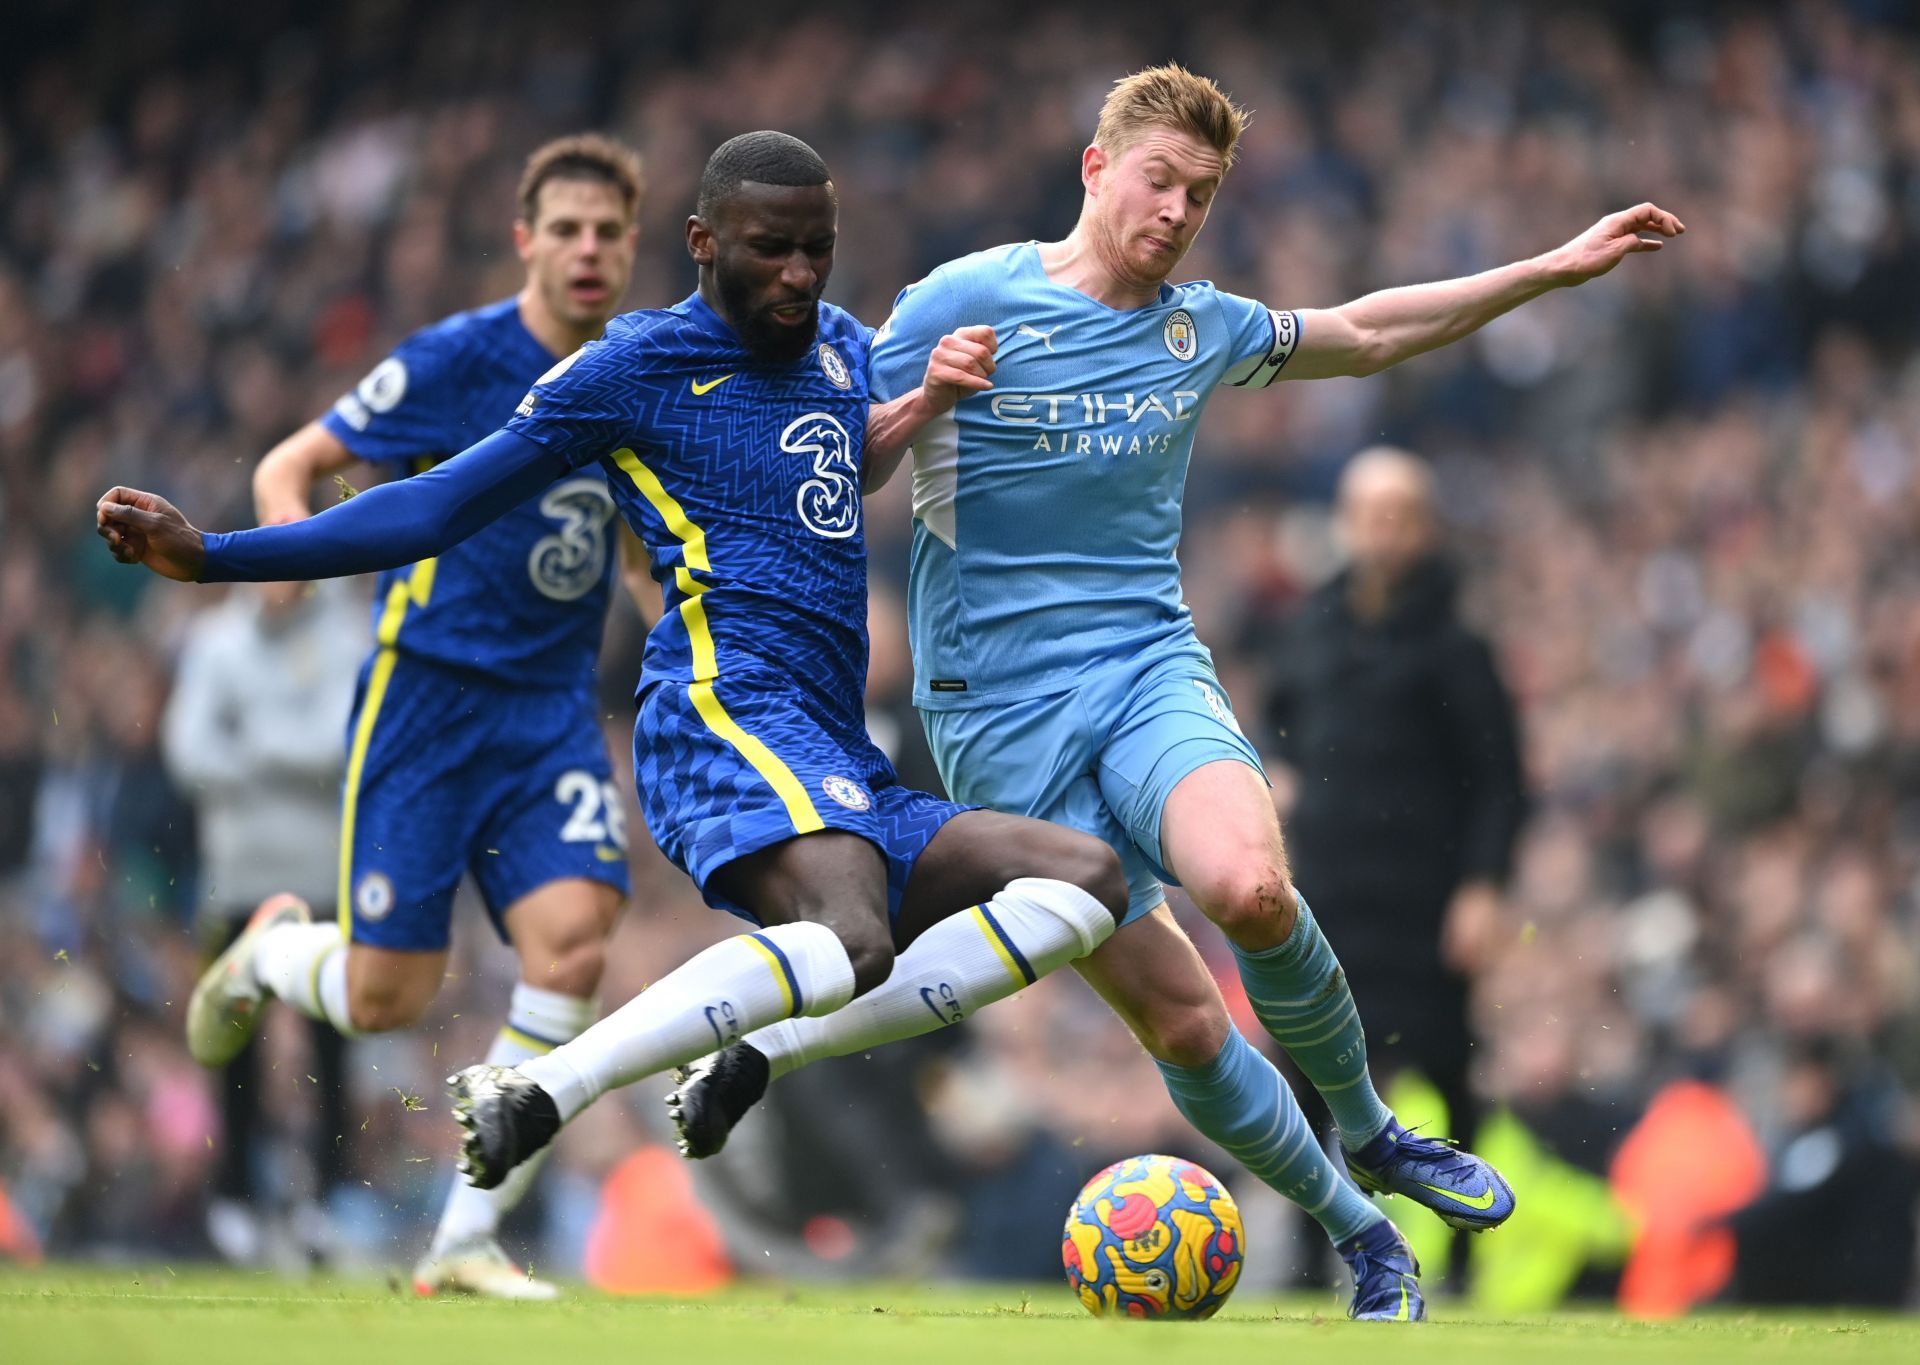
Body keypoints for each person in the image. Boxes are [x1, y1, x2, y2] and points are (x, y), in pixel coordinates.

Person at [669, 65, 1682, 1321]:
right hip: (995, 722)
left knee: (1251, 888)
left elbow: (1366, 331)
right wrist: (927, 398)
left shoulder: (1198, 329)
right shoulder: (961, 299)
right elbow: (841, 466)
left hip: (1147, 667)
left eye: (1201, 194)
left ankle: (1372, 1131)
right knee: (1188, 1031)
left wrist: (1550, 268)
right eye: (1159, 180)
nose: (1177, 211)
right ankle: (1365, 1238)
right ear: (1096, 169)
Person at [94, 129, 1130, 1262]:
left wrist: (917, 403)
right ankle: (542, 1093)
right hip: (720, 714)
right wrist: (219, 556)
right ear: (701, 244)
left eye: (818, 252)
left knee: (1086, 885)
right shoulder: (631, 371)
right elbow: (435, 507)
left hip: (828, 741)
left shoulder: (839, 346)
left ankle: (754, 1053)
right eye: (772, 251)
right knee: (850, 932)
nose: (799, 275)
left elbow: (834, 464)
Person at [176, 132, 653, 1298]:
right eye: (569, 231)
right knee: (389, 997)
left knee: (575, 947)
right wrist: (283, 560)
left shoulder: (646, 371)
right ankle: (275, 951)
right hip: (427, 695)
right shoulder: (458, 358)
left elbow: (643, 551)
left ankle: (463, 1241)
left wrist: (695, 645)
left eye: (609, 233)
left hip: (545, 712)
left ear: (632, 246)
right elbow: (296, 462)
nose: (589, 251)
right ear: (526, 242)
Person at [1265, 446, 1528, 1278]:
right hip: (1330, 887)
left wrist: (1484, 887)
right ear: (1345, 524)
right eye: (1368, 514)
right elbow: (1274, 731)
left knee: (1447, 1063)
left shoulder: (1458, 646)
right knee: (1306, 1068)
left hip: (1425, 893)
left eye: (1398, 515)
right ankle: (1316, 1248)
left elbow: (1501, 780)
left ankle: (1462, 1258)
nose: (1382, 532)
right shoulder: (1309, 630)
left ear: (1424, 526)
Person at [160, 579, 367, 1264]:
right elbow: (187, 750)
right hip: (235, 881)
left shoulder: (344, 634)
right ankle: (235, 1199)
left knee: (332, 1041)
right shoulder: (216, 641)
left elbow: (344, 741)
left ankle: (329, 1200)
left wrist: (250, 740)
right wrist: (289, 752)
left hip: (322, 877)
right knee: (232, 1042)